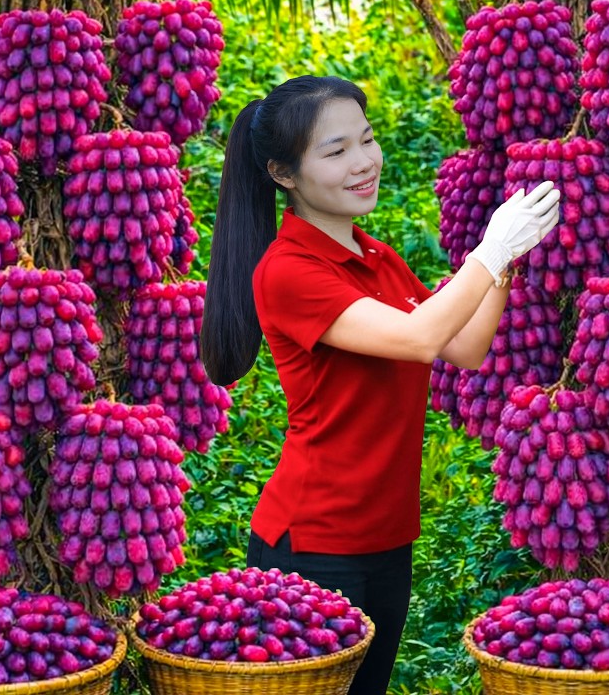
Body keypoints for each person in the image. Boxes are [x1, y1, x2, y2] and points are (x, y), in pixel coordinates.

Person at [199, 74, 560, 694]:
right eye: (336, 151)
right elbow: (420, 338)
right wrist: (490, 251)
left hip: (387, 536)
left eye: (366, 140)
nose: (363, 161)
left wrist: (506, 258)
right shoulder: (288, 271)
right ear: (283, 174)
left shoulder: (377, 258)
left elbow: (464, 346)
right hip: (314, 540)